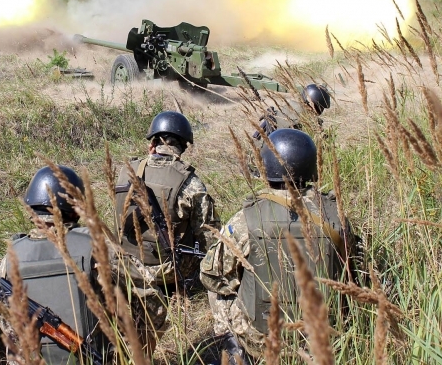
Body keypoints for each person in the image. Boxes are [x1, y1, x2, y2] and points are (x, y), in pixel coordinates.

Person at [200, 129, 357, 362]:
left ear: (267, 168)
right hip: (324, 335)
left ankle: (233, 348)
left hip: (262, 336)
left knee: (220, 292)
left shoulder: (247, 218)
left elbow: (212, 275)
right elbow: (352, 267)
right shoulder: (336, 216)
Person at [112, 110, 217, 354]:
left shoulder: (126, 171)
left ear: (153, 143)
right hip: (166, 270)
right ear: (183, 146)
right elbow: (210, 236)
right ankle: (180, 292)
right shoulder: (191, 183)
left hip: (124, 264)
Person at [0, 165, 110, 365]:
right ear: (76, 210)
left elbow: (3, 316)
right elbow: (146, 296)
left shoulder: (12, 254)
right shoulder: (94, 245)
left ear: (32, 210)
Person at [252, 84, 331, 143]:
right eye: (320, 108)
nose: (320, 111)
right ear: (311, 103)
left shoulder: (292, 105)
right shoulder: (304, 120)